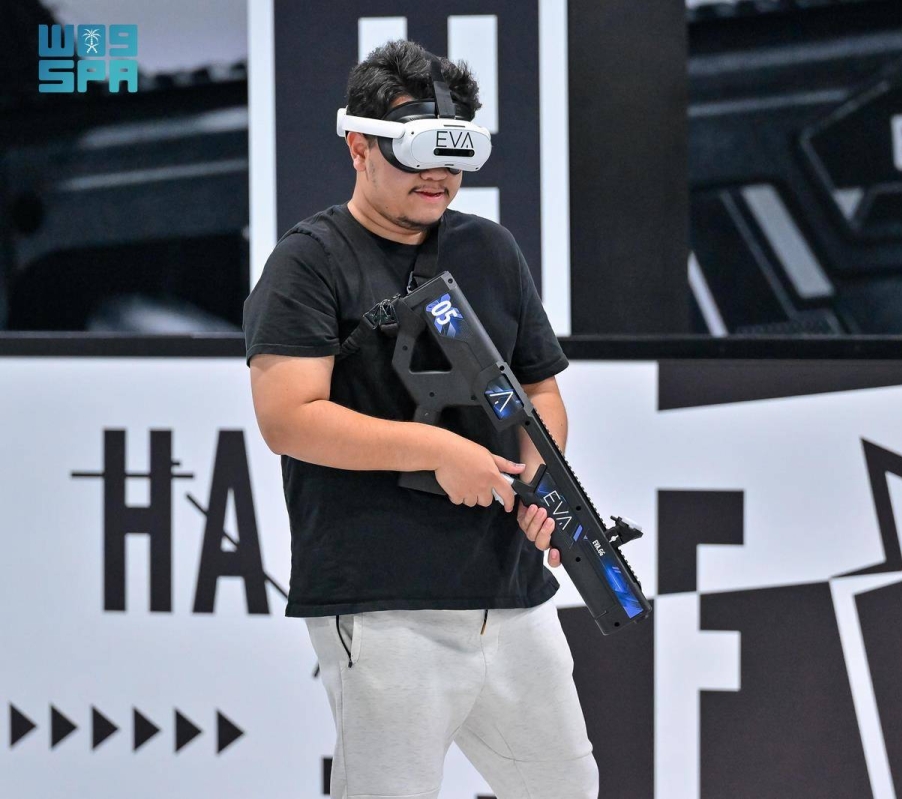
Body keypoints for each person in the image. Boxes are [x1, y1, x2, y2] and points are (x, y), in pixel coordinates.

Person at [242, 39, 599, 799]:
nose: (438, 175)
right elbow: (287, 417)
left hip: (510, 592)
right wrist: (435, 449)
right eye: (415, 154)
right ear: (359, 146)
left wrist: (542, 485)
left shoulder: (491, 249)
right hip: (385, 603)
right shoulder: (309, 261)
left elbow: (542, 391)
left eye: (455, 155)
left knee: (566, 786)